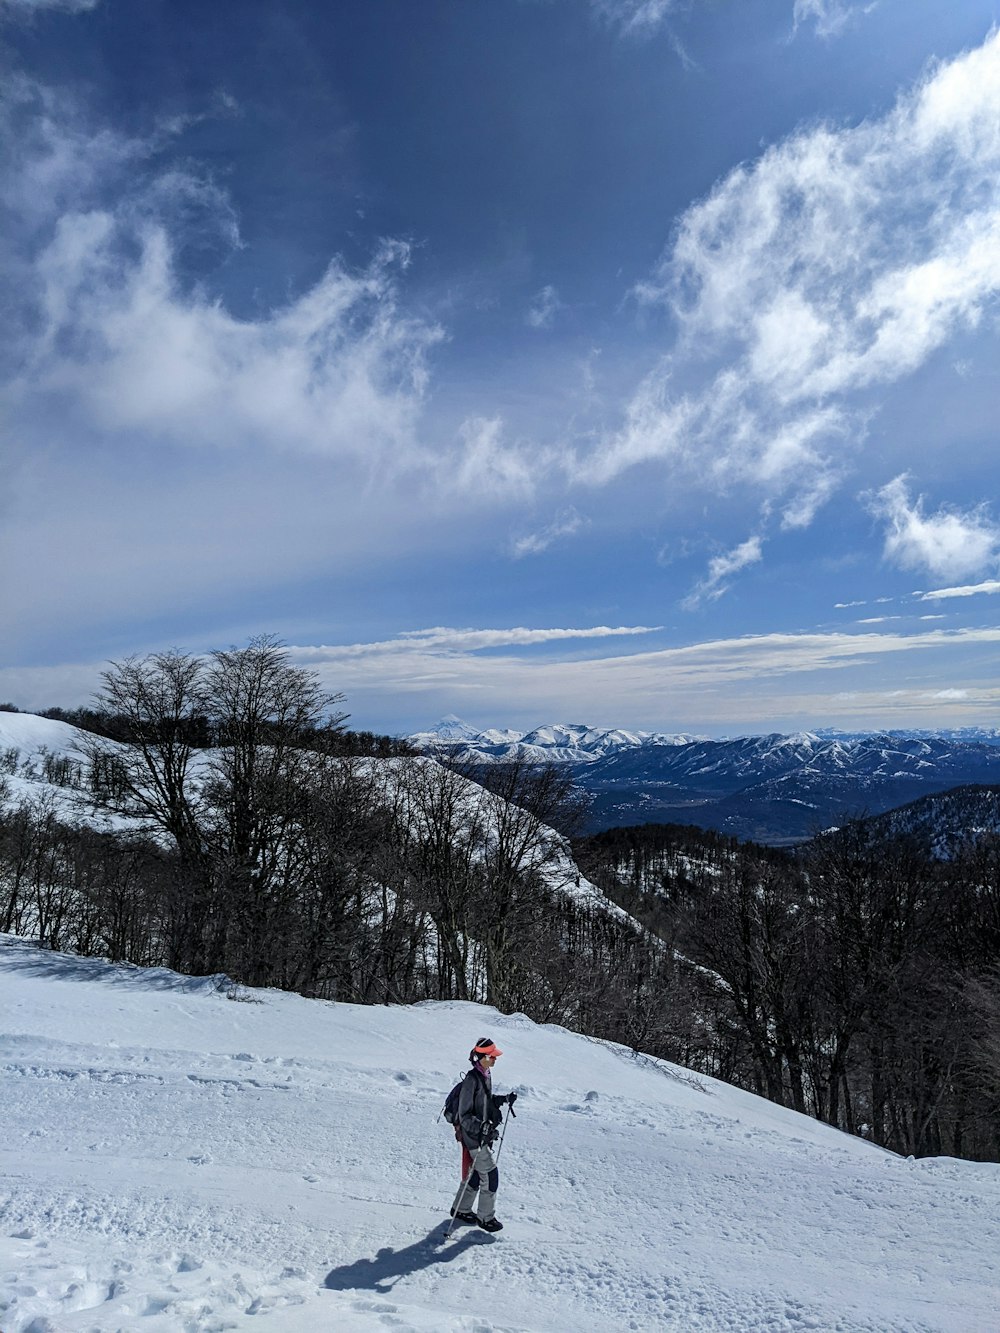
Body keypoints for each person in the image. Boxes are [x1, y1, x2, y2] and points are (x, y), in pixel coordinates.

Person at [450, 1036, 517, 1232]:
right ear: (483, 1057)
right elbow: (465, 1115)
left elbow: (484, 1103)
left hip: (482, 1135)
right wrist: (482, 1128)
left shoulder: (485, 1074)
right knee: (490, 1174)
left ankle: (460, 1209)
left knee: (477, 1175)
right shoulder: (472, 1079)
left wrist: (502, 1099)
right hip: (474, 1138)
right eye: (492, 1056)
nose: (495, 1059)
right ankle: (486, 1218)